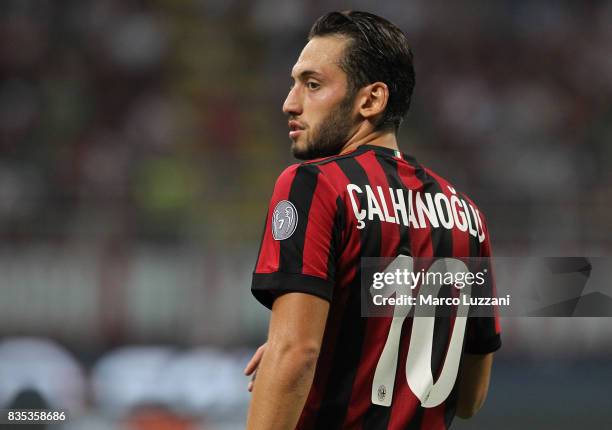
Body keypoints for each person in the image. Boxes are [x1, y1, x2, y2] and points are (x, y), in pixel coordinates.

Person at [244, 10, 501, 430]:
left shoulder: (315, 186)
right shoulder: (469, 217)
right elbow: (471, 397)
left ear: (371, 100)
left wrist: (290, 353)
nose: (290, 103)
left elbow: (295, 356)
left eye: (312, 84)